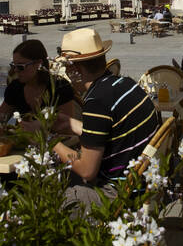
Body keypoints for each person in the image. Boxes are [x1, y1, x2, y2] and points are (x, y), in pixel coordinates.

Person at [53, 28, 159, 209]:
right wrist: (74, 125)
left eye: (66, 68)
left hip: (118, 194)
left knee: (42, 201)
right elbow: (116, 130)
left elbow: (87, 170)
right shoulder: (125, 84)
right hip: (145, 182)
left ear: (75, 69)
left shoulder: (97, 102)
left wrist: (48, 141)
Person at [0, 40, 74, 125]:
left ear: (38, 64)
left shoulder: (60, 87)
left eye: (20, 67)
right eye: (13, 66)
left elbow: (67, 125)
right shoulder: (15, 87)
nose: (15, 70)